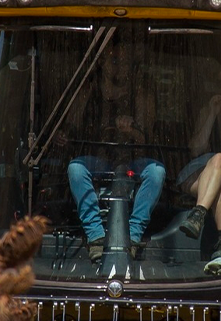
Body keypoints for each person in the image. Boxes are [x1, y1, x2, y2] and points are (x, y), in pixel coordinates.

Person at [65, 38, 166, 263]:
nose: (117, 64)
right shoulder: (89, 89)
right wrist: (65, 132)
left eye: (121, 60)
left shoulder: (141, 90)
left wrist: (131, 131)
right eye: (112, 59)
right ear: (101, 60)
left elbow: (146, 138)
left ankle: (133, 235)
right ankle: (96, 237)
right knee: (75, 168)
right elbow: (72, 125)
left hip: (133, 159)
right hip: (100, 160)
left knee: (156, 172)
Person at [177, 64, 221, 275]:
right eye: (220, 84)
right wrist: (211, 114)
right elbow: (196, 148)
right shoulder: (207, 110)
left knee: (220, 160)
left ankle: (198, 213)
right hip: (203, 171)